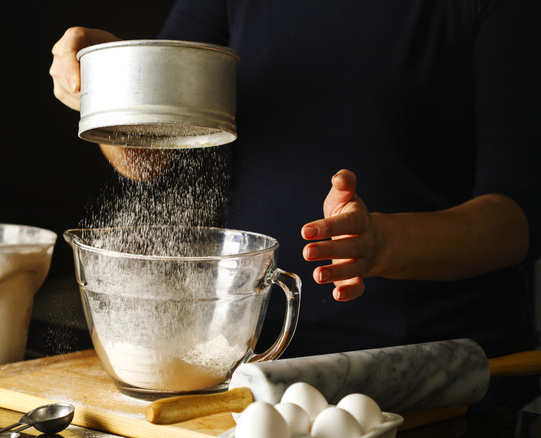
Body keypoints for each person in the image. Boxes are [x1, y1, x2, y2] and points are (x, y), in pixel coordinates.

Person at [50, 0, 541, 407]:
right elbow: (149, 157)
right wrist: (108, 86)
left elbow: (518, 217)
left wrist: (383, 243)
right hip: (259, 372)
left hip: (440, 374)